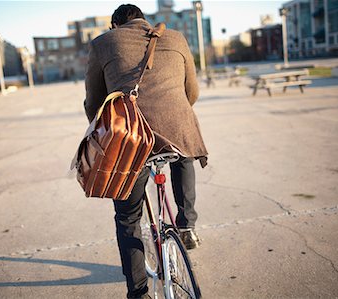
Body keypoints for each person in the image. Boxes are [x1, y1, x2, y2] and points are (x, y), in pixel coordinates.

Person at [83, 4, 208, 299]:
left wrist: (102, 131)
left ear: (115, 26)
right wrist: (174, 114)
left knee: (128, 218)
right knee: (182, 150)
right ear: (143, 19)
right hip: (178, 127)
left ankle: (139, 293)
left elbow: (94, 102)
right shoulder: (176, 37)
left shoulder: (103, 43)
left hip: (132, 138)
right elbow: (192, 92)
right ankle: (187, 223)